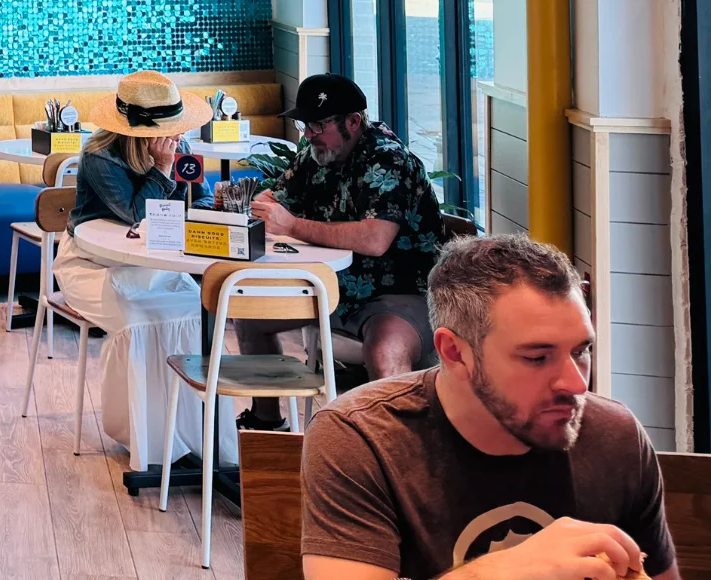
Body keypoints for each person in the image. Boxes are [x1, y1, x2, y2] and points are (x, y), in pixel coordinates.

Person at [301, 235, 677, 580]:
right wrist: (501, 571)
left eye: (580, 351)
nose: (578, 385)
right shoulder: (362, 438)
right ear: (455, 353)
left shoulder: (615, 435)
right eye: (537, 357)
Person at [241, 72, 447, 429]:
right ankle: (268, 427)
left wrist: (291, 225)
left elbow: (374, 239)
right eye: (305, 125)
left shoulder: (388, 160)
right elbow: (273, 198)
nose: (309, 135)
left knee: (385, 353)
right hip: (333, 287)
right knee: (251, 317)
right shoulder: (315, 154)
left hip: (398, 291)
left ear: (353, 121)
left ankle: (397, 455)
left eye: (318, 125)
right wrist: (262, 205)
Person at [48, 70, 228, 472]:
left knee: (194, 312)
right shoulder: (99, 157)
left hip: (157, 262)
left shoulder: (178, 148)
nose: (174, 137)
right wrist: (162, 170)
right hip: (93, 264)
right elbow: (135, 215)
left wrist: (208, 201)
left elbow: (196, 201)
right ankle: (146, 441)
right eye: (167, 130)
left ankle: (197, 438)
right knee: (137, 319)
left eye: (176, 129)